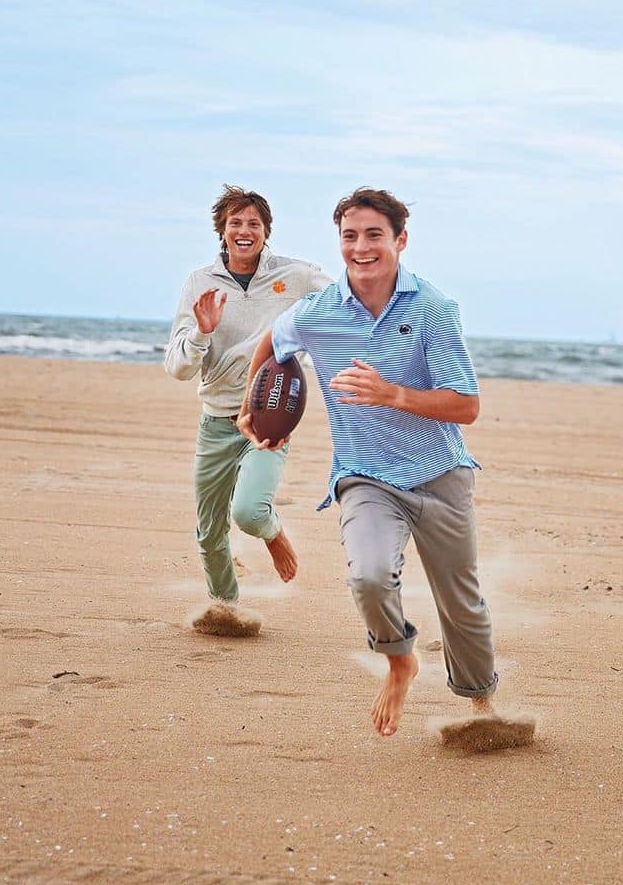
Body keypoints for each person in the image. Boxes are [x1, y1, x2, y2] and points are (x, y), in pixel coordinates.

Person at [239, 188, 534, 748]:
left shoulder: (433, 310)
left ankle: (481, 704)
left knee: (461, 601)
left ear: (400, 240)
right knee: (369, 577)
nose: (361, 247)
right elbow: (271, 345)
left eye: (374, 235)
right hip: (365, 475)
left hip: (440, 473)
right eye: (350, 236)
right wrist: (251, 406)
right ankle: (399, 661)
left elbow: (466, 406)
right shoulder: (319, 312)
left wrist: (392, 393)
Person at [165, 185, 331, 636]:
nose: (244, 231)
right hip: (216, 421)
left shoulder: (292, 276)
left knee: (250, 513)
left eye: (253, 224)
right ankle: (227, 608)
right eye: (235, 223)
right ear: (222, 231)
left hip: (268, 416)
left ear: (265, 232)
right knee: (209, 534)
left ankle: (274, 534)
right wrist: (202, 332)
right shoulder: (200, 284)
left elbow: (343, 303)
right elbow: (179, 368)